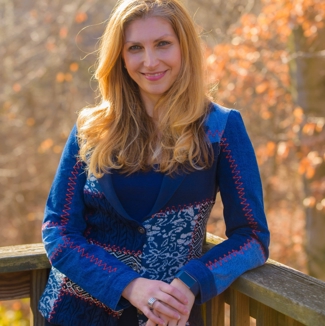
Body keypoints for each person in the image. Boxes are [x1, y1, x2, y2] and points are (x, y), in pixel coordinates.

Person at [38, 0, 270, 325]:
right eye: (135, 47)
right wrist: (128, 285)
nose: (150, 61)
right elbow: (58, 228)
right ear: (120, 56)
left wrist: (191, 283)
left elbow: (252, 236)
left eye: (163, 44)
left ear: (183, 47)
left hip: (167, 318)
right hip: (73, 313)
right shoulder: (91, 128)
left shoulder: (220, 129)